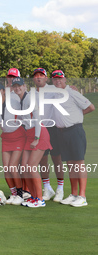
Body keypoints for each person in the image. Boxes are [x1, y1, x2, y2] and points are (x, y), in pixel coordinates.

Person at [51, 70, 95, 207]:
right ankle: (74, 194)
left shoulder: (72, 93)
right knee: (70, 164)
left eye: (60, 79)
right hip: (62, 133)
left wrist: (78, 115)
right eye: (55, 79)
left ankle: (82, 196)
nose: (58, 81)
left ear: (65, 80)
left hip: (74, 130)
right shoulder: (55, 94)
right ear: (52, 81)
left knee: (79, 163)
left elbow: (91, 107)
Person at [11, 77, 52, 208]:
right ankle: (34, 197)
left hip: (39, 134)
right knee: (24, 167)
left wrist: (37, 138)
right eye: (15, 86)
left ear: (25, 87)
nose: (17, 88)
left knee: (31, 167)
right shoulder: (21, 100)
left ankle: (40, 199)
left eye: (19, 86)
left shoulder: (30, 98)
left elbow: (38, 119)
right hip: (29, 134)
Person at [32, 68, 64, 202]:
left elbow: (65, 91)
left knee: (57, 160)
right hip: (40, 129)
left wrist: (71, 88)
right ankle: (47, 188)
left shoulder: (53, 88)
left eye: (41, 75)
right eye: (36, 76)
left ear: (46, 78)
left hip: (53, 128)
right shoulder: (31, 93)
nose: (38, 77)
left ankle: (60, 189)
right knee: (42, 161)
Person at [0, 83, 25, 205]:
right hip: (6, 137)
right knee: (6, 168)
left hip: (18, 135)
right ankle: (13, 194)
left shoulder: (13, 102)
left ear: (3, 91)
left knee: (13, 166)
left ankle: (20, 194)